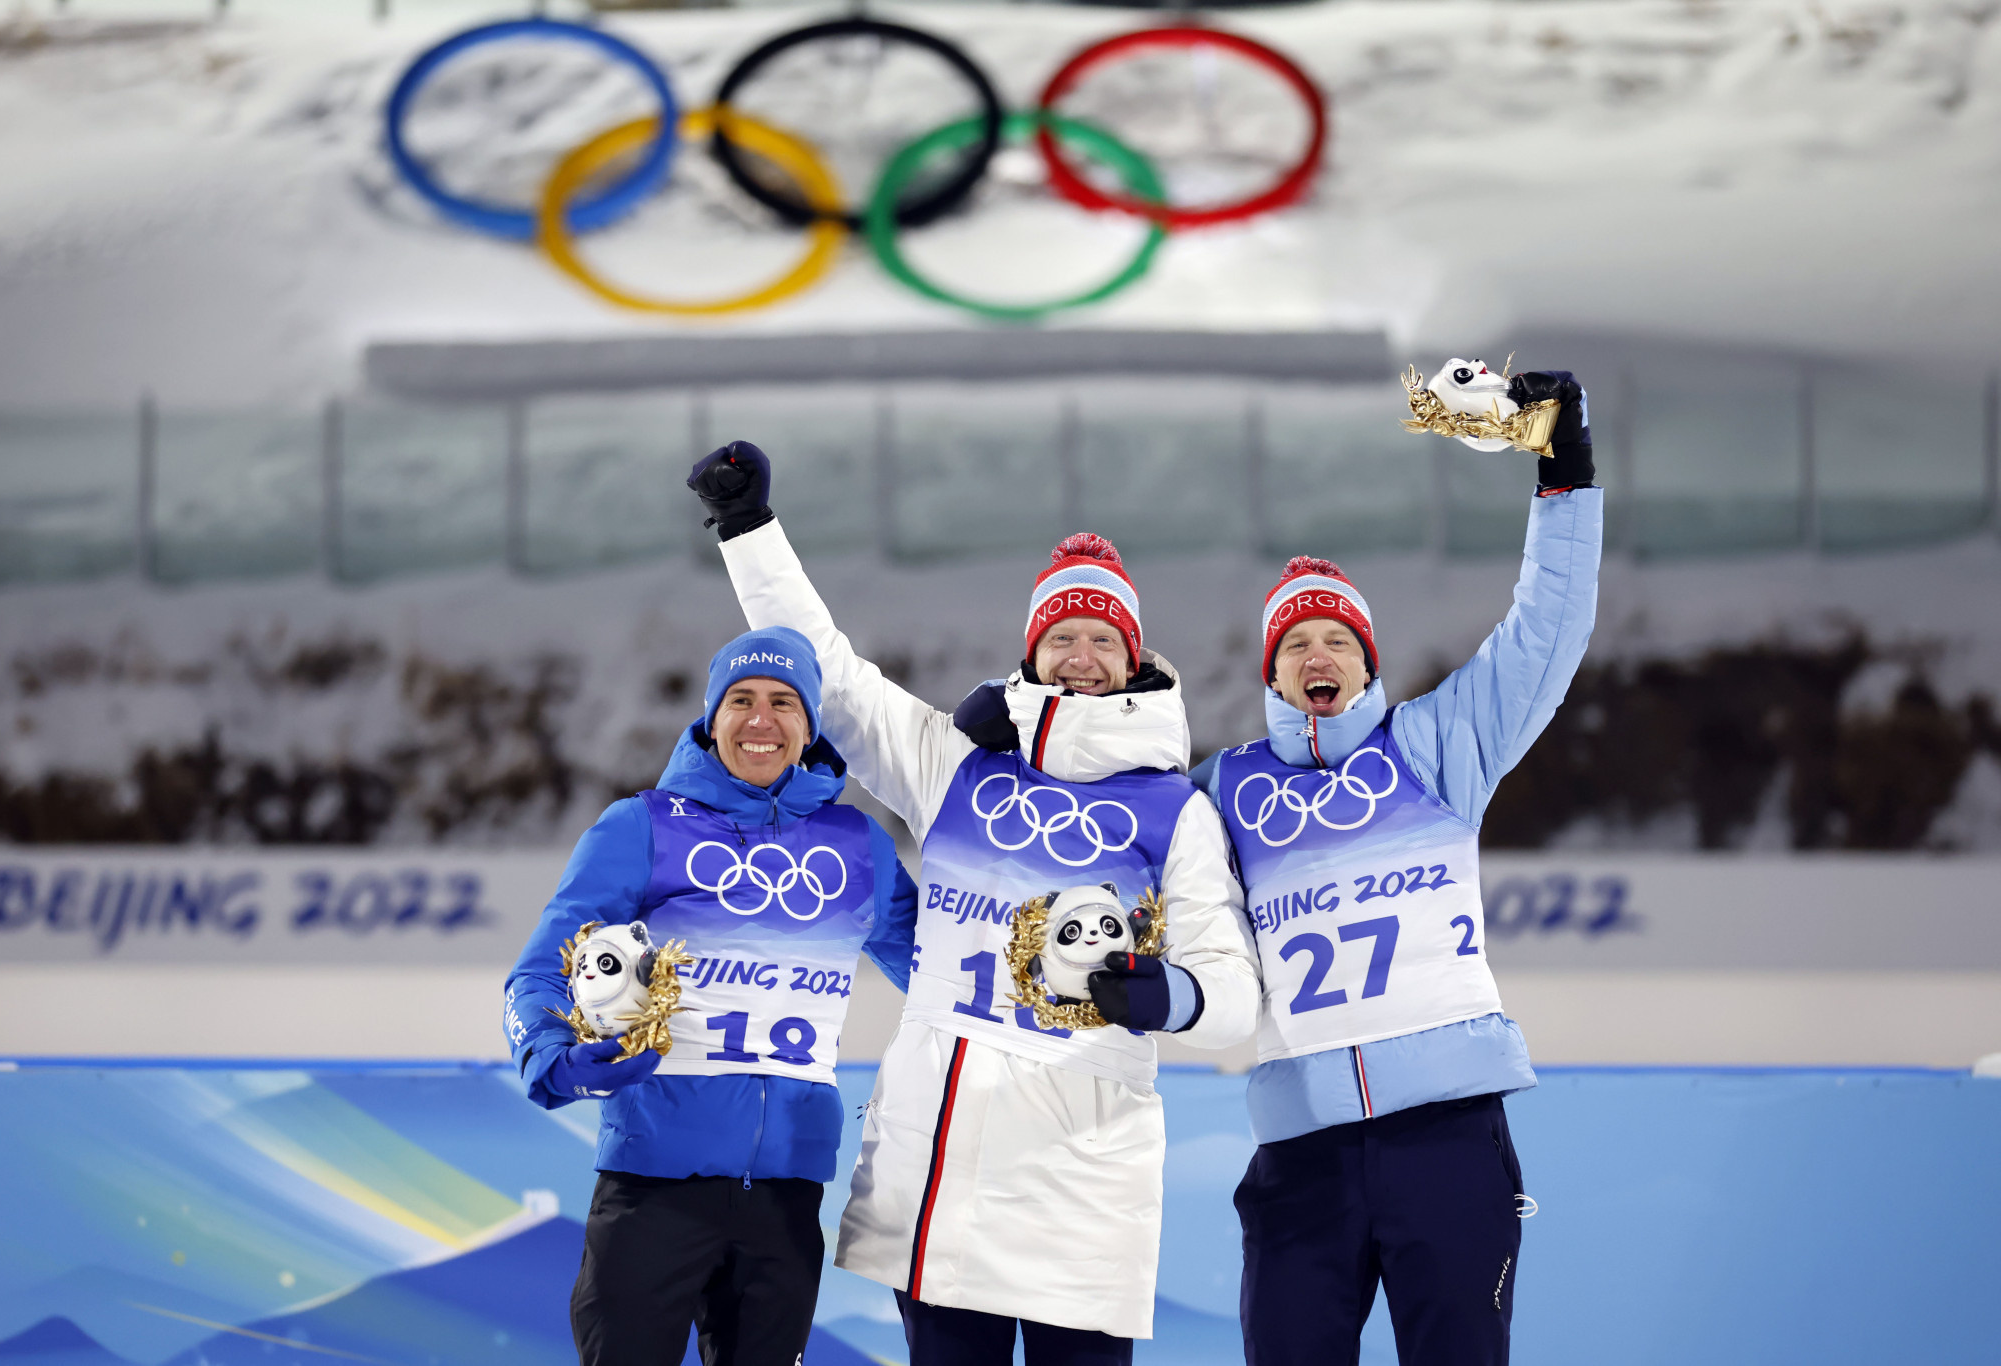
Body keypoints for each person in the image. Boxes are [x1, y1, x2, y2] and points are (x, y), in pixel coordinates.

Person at [687, 443, 1259, 1366]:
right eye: (1061, 638)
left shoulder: (1176, 811)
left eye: (1101, 640)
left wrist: (1170, 997)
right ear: (1032, 650)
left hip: (1081, 1180)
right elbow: (832, 676)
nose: (1080, 657)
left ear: (1133, 660)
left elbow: (1235, 994)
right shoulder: (959, 765)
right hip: (943, 1167)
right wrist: (749, 531)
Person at [1190, 371, 1603, 1366]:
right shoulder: (1222, 789)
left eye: (1336, 635)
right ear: (1271, 673)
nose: (1315, 650)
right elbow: (1106, 837)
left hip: (1447, 1138)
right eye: (1295, 641)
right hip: (1300, 1155)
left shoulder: (1436, 748)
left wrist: (1565, 472)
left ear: (1367, 662)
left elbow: (1545, 629)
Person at [502, 627, 919, 1366]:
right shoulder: (641, 828)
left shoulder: (859, 847)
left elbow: (944, 977)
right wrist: (554, 1054)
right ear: (710, 717)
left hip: (786, 1195)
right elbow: (538, 974)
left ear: (811, 724)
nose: (761, 719)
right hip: (652, 1185)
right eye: (742, 700)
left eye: (784, 702)